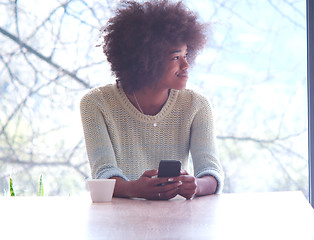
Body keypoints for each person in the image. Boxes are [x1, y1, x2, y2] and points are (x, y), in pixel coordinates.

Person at [80, 0, 223, 200]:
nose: (186, 65)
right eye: (175, 57)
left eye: (186, 54)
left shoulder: (196, 105)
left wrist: (197, 185)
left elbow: (211, 172)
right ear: (146, 61)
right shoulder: (96, 103)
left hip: (180, 220)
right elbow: (103, 173)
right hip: (118, 222)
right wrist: (134, 189)